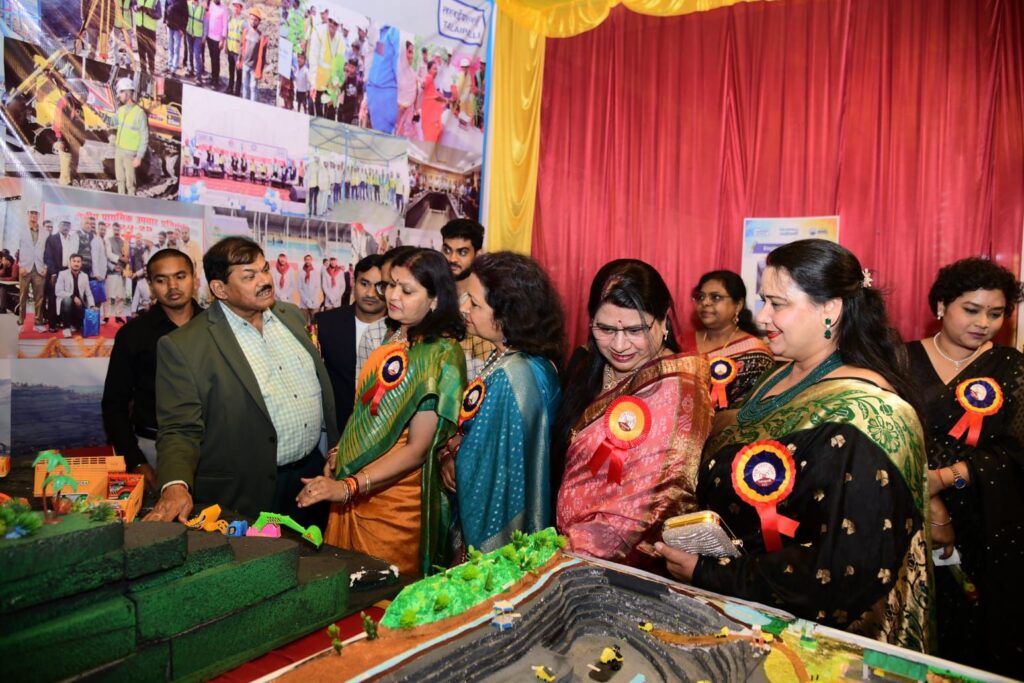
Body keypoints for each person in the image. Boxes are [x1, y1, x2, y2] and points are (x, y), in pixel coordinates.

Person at [655, 239, 930, 652]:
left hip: (804, 645)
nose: (763, 316)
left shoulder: (869, 414)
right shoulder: (776, 375)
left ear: (830, 309)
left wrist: (710, 573)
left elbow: (840, 571)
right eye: (764, 300)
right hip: (734, 615)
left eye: (777, 304)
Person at [296, 248, 466, 577]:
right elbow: (365, 408)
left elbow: (417, 449)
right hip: (356, 484)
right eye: (391, 285)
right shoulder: (394, 334)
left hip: (394, 501)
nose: (392, 296)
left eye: (407, 290)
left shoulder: (440, 354)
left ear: (435, 300)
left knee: (381, 594)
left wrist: (349, 486)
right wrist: (339, 452)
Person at [146, 237, 339, 525]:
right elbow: (179, 428)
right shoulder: (184, 345)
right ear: (219, 289)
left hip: (312, 478)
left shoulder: (290, 316)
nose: (265, 281)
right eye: (249, 276)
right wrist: (175, 485)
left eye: (265, 270)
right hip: (248, 491)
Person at [905, 257, 1024, 674]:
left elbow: (1017, 450)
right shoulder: (901, 359)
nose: (983, 323)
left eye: (996, 313)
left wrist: (945, 479)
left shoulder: (1010, 367)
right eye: (971, 310)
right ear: (941, 305)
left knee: (974, 639)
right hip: (907, 513)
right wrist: (929, 498)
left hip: (985, 520)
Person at [555, 260, 713, 568]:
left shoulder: (677, 389)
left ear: (664, 322)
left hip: (614, 565)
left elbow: (652, 503)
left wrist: (573, 552)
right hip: (567, 548)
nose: (619, 345)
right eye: (605, 329)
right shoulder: (589, 368)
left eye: (635, 330)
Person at [443, 252, 565, 553]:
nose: (464, 308)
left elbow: (491, 469)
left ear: (507, 315)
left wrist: (455, 453)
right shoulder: (519, 360)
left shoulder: (513, 375)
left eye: (474, 303)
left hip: (497, 537)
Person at [103, 249, 201, 493]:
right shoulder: (133, 334)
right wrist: (135, 460)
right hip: (153, 446)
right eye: (161, 280)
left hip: (213, 446)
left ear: (194, 278)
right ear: (150, 285)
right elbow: (114, 404)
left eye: (180, 276)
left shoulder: (217, 328)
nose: (173, 286)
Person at [315, 255, 385, 431]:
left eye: (380, 286)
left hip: (386, 430)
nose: (370, 294)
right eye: (364, 283)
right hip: (337, 428)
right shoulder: (325, 324)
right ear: (353, 282)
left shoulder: (402, 331)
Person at [692, 270, 774, 408]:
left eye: (715, 297)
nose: (705, 302)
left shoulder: (756, 355)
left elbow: (755, 409)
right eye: (701, 297)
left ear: (738, 305)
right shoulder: (682, 341)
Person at [441, 219, 494, 376]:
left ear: (478, 254)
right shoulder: (431, 295)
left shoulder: (486, 302)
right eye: (447, 250)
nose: (452, 259)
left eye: (462, 252)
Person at [355, 246, 414, 375]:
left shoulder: (448, 341)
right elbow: (364, 385)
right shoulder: (374, 333)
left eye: (405, 289)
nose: (392, 295)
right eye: (386, 285)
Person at [110, 78, 148, 196]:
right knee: (120, 181)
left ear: (127, 93)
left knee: (130, 185)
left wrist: (139, 157)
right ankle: (121, 203)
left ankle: (131, 203)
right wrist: (99, 114)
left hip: (130, 154)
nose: (119, 96)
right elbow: (111, 122)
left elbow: (144, 136)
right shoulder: (121, 110)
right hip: (119, 151)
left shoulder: (139, 113)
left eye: (120, 92)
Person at [18, 208, 48, 332]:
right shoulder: (21, 230)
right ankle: (20, 322)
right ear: (28, 214)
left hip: (39, 269)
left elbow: (47, 252)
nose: (34, 215)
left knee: (39, 297)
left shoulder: (45, 233)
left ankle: (38, 323)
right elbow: (16, 249)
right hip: (25, 268)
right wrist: (20, 266)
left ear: (39, 215)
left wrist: (45, 267)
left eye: (36, 213)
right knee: (23, 296)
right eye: (32, 213)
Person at [44, 220, 77, 333]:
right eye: (63, 225)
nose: (66, 227)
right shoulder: (52, 239)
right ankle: (52, 324)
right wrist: (53, 273)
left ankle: (63, 321)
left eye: (68, 225)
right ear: (59, 226)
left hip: (68, 271)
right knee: (53, 298)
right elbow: (48, 257)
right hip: (56, 272)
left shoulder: (71, 239)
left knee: (66, 297)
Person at [54, 82, 87, 186]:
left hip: (75, 143)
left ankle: (70, 188)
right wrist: (60, 140)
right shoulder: (65, 102)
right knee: (66, 173)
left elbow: (81, 124)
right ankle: (64, 190)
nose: (84, 99)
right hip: (66, 142)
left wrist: (81, 141)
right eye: (83, 95)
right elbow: (58, 121)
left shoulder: (78, 105)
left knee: (73, 170)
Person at [54, 253, 96, 336]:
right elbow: (58, 291)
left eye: (78, 261)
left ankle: (75, 324)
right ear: (70, 262)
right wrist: (73, 297)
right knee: (67, 300)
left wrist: (92, 305)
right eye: (74, 261)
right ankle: (66, 328)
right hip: (66, 305)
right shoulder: (62, 274)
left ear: (81, 264)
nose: (76, 263)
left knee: (80, 327)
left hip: (79, 306)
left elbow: (88, 294)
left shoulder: (84, 276)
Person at [239, 6, 268, 101]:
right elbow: (241, 46)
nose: (253, 21)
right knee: (245, 85)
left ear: (259, 22)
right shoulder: (246, 32)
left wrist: (260, 70)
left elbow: (263, 56)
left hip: (254, 67)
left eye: (255, 20)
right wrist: (239, 60)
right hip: (245, 64)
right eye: (251, 19)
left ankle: (252, 106)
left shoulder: (261, 37)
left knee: (253, 87)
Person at [104, 223, 128, 324]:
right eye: (115, 229)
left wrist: (124, 265)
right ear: (112, 229)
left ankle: (118, 316)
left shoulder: (123, 242)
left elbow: (126, 256)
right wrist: (119, 260)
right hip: (112, 271)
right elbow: (108, 255)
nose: (116, 231)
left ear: (120, 230)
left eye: (118, 229)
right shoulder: (108, 240)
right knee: (109, 296)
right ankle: (106, 316)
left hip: (121, 272)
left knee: (120, 296)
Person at [420, 60, 445, 143]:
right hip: (429, 113)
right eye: (434, 69)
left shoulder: (431, 79)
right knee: (431, 133)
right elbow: (423, 85)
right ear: (429, 70)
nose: (436, 71)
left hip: (430, 112)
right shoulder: (429, 77)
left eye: (436, 69)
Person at [133, 0, 160, 73]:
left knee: (151, 52)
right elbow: (133, 5)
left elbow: (159, 15)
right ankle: (143, 70)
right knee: (141, 51)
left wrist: (148, 12)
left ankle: (151, 71)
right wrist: (136, 8)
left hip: (150, 30)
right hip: (139, 27)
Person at [205, 0, 228, 89]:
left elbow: (225, 25)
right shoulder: (210, 5)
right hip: (209, 37)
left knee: (216, 59)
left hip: (218, 39)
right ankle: (213, 77)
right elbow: (207, 17)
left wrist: (222, 39)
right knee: (212, 57)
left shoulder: (224, 8)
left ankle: (216, 81)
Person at [225, 0, 245, 95]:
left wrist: (241, 55)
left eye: (238, 6)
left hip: (238, 52)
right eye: (234, 6)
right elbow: (228, 32)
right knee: (231, 70)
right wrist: (226, 46)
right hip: (230, 49)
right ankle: (230, 87)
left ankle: (237, 91)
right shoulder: (230, 19)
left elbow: (244, 40)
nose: (236, 8)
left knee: (239, 73)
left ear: (241, 8)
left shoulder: (244, 22)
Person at [185, 0, 206, 82]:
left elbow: (205, 23)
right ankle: (190, 69)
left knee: (197, 54)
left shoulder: (202, 8)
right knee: (190, 52)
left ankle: (198, 76)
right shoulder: (188, 5)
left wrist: (204, 36)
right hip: (189, 33)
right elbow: (185, 17)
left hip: (198, 35)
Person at [298, 254, 320, 321]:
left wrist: (312, 299)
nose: (308, 261)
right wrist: (306, 300)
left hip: (314, 302)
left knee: (314, 322)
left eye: (309, 259)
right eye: (306, 259)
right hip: (304, 303)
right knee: (304, 322)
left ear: (311, 260)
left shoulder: (315, 272)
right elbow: (299, 288)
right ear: (304, 260)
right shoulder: (301, 272)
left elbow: (317, 287)